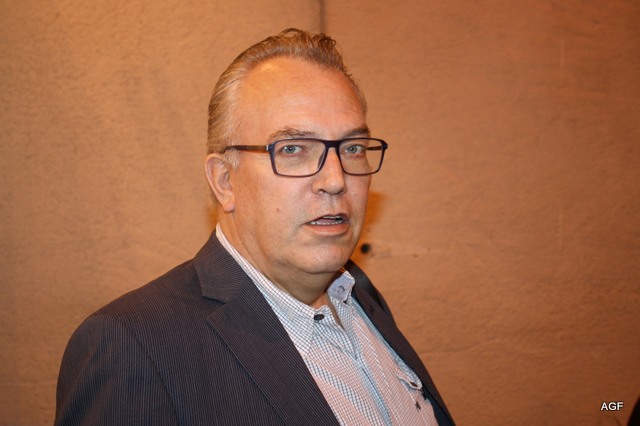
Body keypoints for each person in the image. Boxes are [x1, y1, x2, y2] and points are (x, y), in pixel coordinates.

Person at [55, 28, 455, 426]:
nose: (335, 180)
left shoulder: (360, 294)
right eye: (293, 149)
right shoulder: (134, 347)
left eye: (351, 148)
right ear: (225, 181)